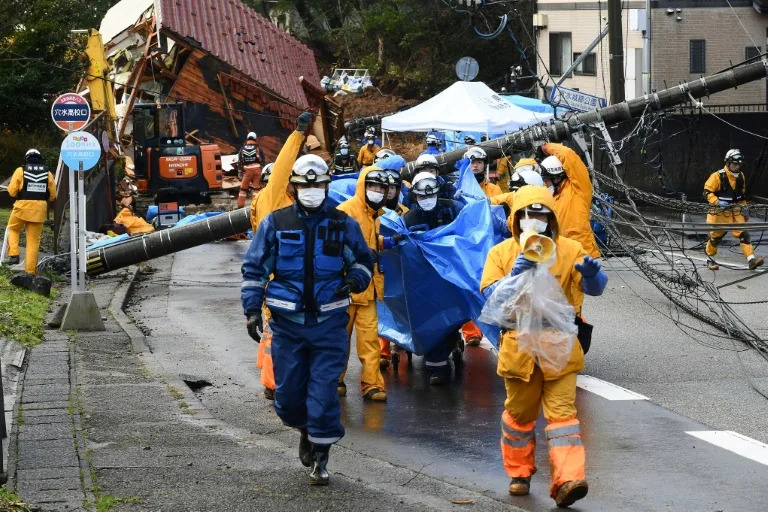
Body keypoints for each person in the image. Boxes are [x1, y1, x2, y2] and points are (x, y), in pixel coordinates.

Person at [241, 153, 374, 485]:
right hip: (288, 326)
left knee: (324, 393)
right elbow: (255, 268)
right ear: (294, 187)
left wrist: (356, 279)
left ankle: (320, 455)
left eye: (319, 185)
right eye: (306, 185)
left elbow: (362, 260)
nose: (313, 190)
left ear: (327, 186)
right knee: (286, 398)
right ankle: (305, 429)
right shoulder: (276, 223)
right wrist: (252, 309)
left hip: (330, 325)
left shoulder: (343, 224)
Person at [480, 185, 607, 508]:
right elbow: (490, 299)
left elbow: (593, 289)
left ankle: (568, 480)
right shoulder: (501, 253)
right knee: (520, 415)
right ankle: (520, 473)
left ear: (552, 218)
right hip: (519, 348)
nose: (534, 220)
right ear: (517, 219)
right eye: (528, 214)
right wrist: (514, 274)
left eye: (541, 214)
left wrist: (594, 276)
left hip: (560, 347)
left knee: (563, 416)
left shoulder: (569, 249)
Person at [249, 114, 313, 400]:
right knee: (279, 332)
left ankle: (275, 380)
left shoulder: (281, 202)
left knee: (278, 333)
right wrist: (298, 134)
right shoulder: (274, 196)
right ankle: (275, 385)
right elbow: (284, 165)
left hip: (283, 273)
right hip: (279, 276)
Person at [402, 172, 464, 385]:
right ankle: (436, 366)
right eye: (421, 196)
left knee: (454, 314)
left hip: (451, 274)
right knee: (429, 318)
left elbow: (470, 227)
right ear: (415, 197)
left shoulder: (453, 208)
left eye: (431, 195)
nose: (426, 199)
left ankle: (452, 340)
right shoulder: (408, 219)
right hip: (423, 278)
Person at [337, 167, 392, 401]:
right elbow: (334, 244)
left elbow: (368, 242)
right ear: (363, 185)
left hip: (368, 289)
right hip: (345, 289)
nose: (377, 191)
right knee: (338, 339)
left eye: (381, 188)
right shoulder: (345, 211)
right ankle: (334, 380)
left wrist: (385, 243)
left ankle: (372, 384)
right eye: (373, 186)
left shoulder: (375, 215)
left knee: (370, 341)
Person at [460, 146, 501, 346]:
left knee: (490, 286)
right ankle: (471, 331)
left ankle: (496, 328)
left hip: (489, 244)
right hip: (468, 245)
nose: (475, 166)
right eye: (471, 162)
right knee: (467, 286)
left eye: (478, 162)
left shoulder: (494, 190)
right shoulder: (459, 189)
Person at [704, 149, 764, 270]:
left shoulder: (741, 176)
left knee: (744, 234)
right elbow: (706, 192)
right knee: (715, 238)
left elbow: (741, 195)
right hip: (719, 214)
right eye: (734, 164)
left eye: (739, 164)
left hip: (736, 212)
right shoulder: (717, 176)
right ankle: (710, 260)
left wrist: (744, 209)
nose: (737, 166)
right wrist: (717, 202)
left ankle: (751, 260)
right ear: (728, 163)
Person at [537, 143, 601, 258]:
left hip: (583, 255)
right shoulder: (552, 196)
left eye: (546, 180)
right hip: (563, 257)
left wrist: (546, 148)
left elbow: (568, 155)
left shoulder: (578, 189)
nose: (545, 184)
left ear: (556, 178)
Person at [4, 149, 57, 273]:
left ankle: (14, 254)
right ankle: (30, 272)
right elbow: (53, 195)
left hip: (22, 207)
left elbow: (12, 191)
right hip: (39, 210)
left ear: (27, 158)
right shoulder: (48, 173)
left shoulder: (20, 171)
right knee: (33, 241)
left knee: (13, 229)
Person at [237, 132, 267, 207]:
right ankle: (256, 206)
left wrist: (240, 172)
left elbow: (240, 161)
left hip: (247, 171)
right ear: (255, 139)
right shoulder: (258, 148)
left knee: (243, 189)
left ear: (247, 138)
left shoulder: (242, 149)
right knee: (256, 189)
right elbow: (263, 160)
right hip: (257, 171)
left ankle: (240, 206)